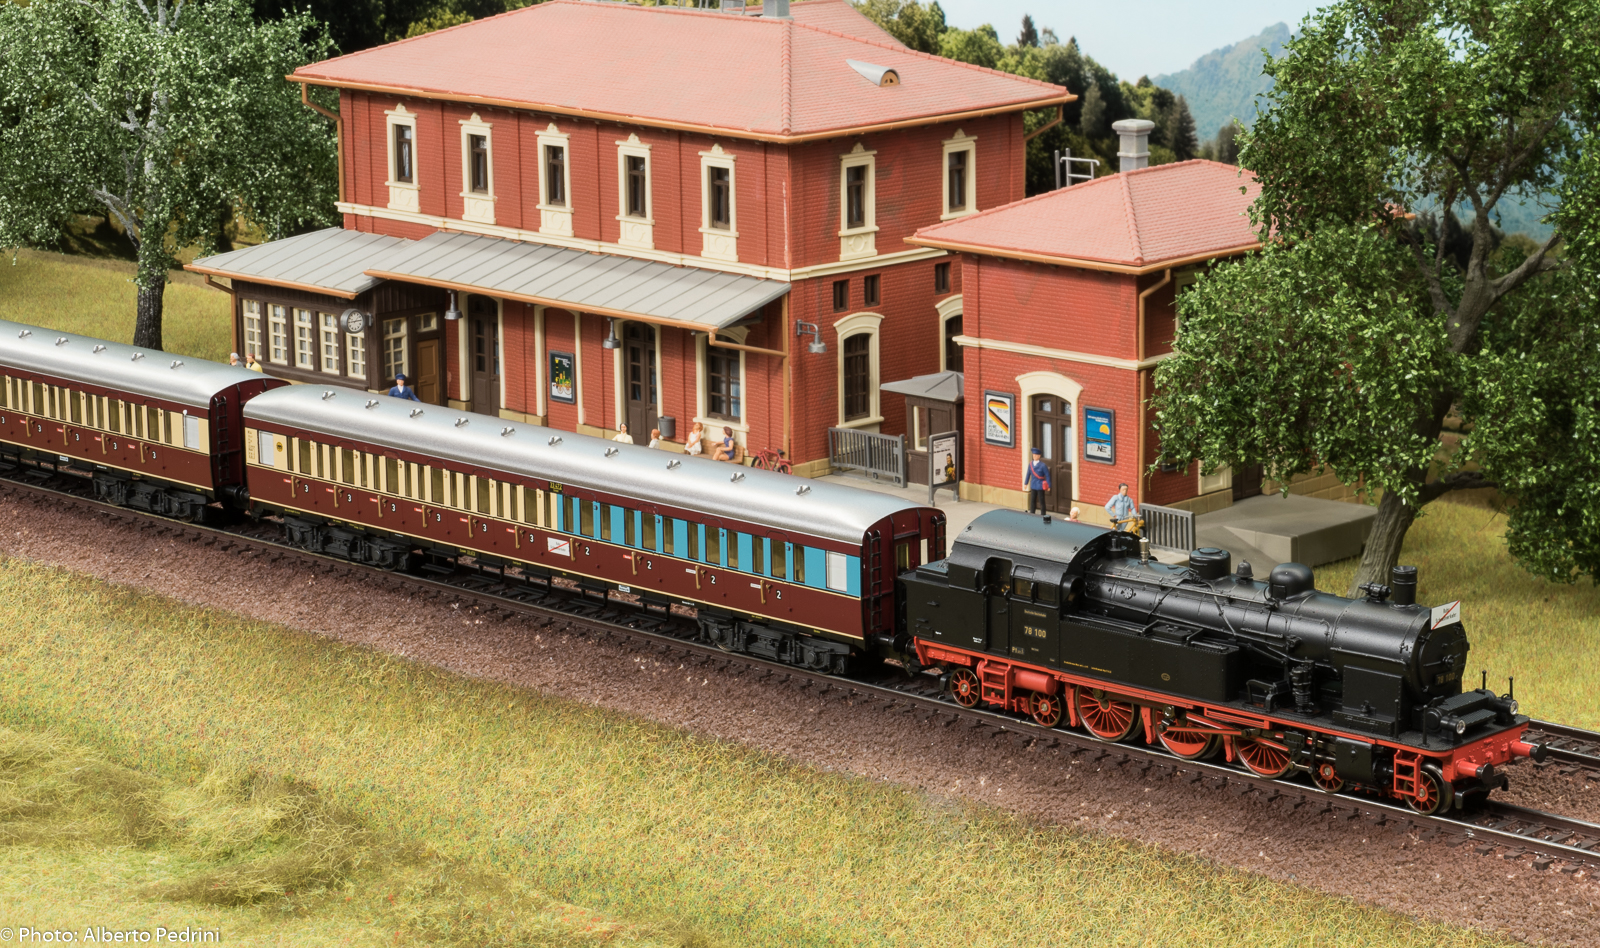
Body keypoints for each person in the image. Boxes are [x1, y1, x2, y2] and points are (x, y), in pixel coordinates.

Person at [1023, 446, 1050, 515]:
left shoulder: (1043, 465)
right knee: (1032, 501)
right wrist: (1026, 483)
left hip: (1040, 485)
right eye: (1033, 455)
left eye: (1036, 455)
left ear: (1039, 456)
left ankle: (1043, 514)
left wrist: (1049, 485)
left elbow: (1047, 475)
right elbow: (1028, 474)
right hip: (1033, 485)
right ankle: (1032, 513)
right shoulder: (1030, 464)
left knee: (1041, 501)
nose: (1034, 456)